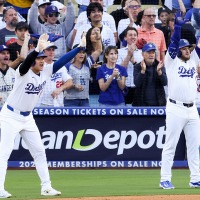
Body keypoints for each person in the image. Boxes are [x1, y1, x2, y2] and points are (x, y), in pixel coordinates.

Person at [0, 33, 86, 198]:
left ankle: (46, 187)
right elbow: (25, 64)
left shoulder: (46, 70)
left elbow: (62, 61)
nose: (41, 60)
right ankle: (0, 189)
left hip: (27, 117)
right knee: (4, 152)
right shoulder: (22, 72)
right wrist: (37, 49)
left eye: (42, 57)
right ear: (32, 60)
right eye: (38, 58)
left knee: (39, 151)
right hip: (10, 115)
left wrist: (78, 48)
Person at [160, 11, 200, 189]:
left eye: (188, 49)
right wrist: (176, 27)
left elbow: (197, 47)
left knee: (194, 146)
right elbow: (175, 43)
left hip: (192, 109)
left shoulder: (193, 61)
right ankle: (165, 179)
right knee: (171, 145)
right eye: (184, 49)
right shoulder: (171, 61)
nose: (187, 51)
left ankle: (195, 178)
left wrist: (191, 33)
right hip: (175, 107)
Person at [38, 43, 73, 107]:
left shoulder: (61, 67)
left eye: (53, 50)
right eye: (48, 50)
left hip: (57, 103)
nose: (51, 52)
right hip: (42, 103)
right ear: (43, 51)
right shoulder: (39, 66)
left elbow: (70, 82)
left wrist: (60, 88)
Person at [117, 27, 143, 105]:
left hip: (138, 87)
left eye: (135, 35)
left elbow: (143, 69)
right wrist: (128, 56)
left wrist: (134, 62)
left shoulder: (142, 52)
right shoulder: (119, 52)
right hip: (124, 86)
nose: (133, 37)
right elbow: (119, 70)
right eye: (130, 35)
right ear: (125, 37)